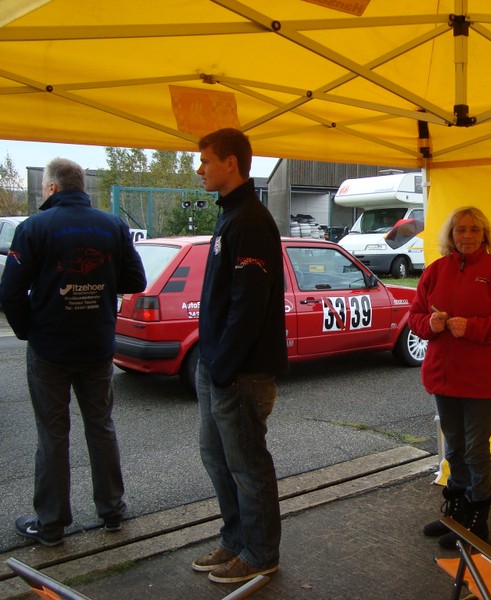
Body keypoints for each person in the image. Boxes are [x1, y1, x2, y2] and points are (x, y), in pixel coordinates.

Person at [0, 158, 146, 547]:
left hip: (50, 349)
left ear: (51, 188)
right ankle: (112, 511)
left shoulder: (34, 228)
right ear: (80, 185)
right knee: (101, 425)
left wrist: (30, 330)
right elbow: (136, 279)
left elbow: (9, 293)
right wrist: (99, 287)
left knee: (53, 434)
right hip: (97, 345)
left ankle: (51, 525)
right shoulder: (112, 225)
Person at [190, 128, 288, 584]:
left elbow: (248, 306)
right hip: (218, 367)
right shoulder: (231, 214)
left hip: (240, 373)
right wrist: (211, 363)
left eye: (206, 160)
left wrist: (224, 368)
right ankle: (236, 541)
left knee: (248, 466)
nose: (200, 170)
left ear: (231, 163)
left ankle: (261, 553)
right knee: (218, 459)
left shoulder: (249, 220)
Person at [408, 206, 491, 549]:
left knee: (475, 450)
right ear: (451, 235)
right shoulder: (435, 271)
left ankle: (477, 520)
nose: (467, 236)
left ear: (484, 235)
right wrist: (430, 324)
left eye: (475, 230)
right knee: (455, 448)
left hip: (479, 382)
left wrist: (472, 327)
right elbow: (415, 316)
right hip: (443, 378)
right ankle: (458, 511)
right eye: (460, 229)